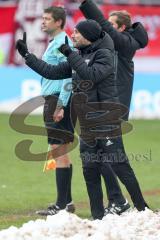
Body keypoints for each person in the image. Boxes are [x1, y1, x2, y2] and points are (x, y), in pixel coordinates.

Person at [16, 19, 128, 219]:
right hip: (86, 115)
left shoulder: (100, 55)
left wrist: (70, 55)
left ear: (87, 36)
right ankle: (113, 204)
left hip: (100, 114)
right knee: (97, 161)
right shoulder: (78, 55)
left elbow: (89, 75)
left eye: (76, 32)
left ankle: (118, 202)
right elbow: (50, 72)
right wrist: (27, 55)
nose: (72, 35)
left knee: (100, 160)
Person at [78, 0, 149, 212]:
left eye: (111, 24)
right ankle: (119, 202)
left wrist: (85, 4)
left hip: (113, 109)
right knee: (99, 158)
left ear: (121, 28)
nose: (106, 28)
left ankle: (133, 205)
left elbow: (104, 29)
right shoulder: (108, 46)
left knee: (112, 159)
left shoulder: (126, 44)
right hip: (98, 109)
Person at [35, 6, 75, 216]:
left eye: (47, 19)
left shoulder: (62, 43)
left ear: (58, 22)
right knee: (61, 151)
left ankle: (61, 205)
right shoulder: (57, 42)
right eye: (43, 18)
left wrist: (60, 105)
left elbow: (69, 76)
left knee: (58, 151)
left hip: (57, 101)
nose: (43, 22)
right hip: (56, 99)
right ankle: (66, 202)